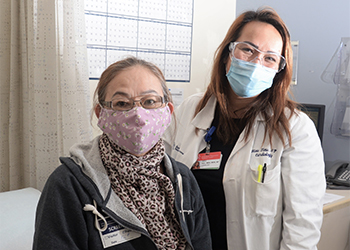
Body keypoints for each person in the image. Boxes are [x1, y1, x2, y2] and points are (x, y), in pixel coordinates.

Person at [163, 7, 326, 250]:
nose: (256, 62)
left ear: (278, 71)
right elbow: (160, 177)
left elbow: (302, 226)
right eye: (248, 49)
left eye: (270, 58)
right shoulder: (190, 109)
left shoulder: (296, 128)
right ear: (228, 53)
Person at [33, 56, 212, 250]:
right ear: (101, 113)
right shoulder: (69, 185)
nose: (137, 114)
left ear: (167, 110)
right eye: (122, 103)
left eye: (150, 101)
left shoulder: (182, 179)